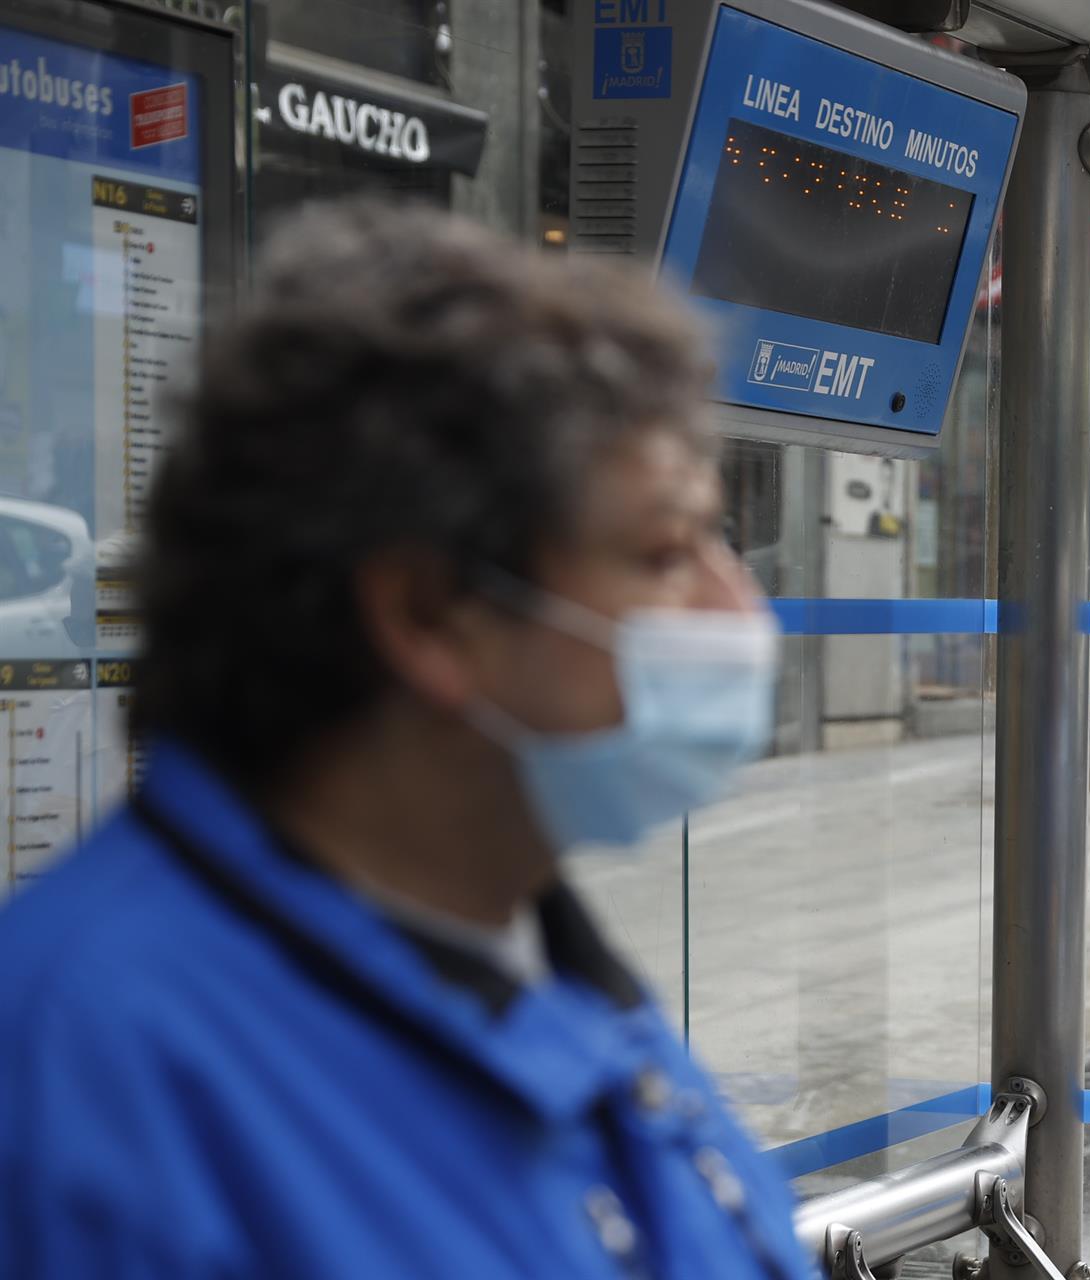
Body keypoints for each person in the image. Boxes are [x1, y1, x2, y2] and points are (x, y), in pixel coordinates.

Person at [0, 204, 817, 1280]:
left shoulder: (554, 978)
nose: (740, 610)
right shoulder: (82, 1085)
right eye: (667, 550)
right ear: (431, 612)